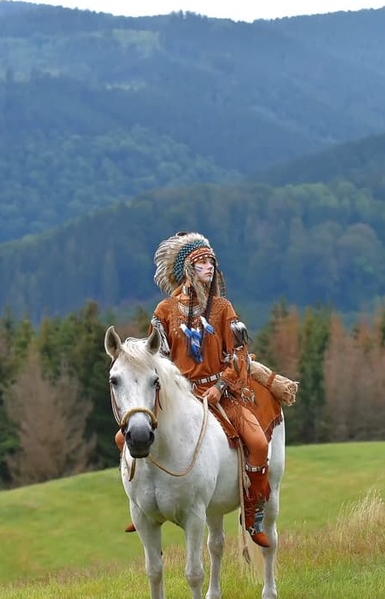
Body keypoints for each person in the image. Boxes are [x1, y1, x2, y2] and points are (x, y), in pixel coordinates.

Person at [115, 231, 284, 547]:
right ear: (187, 270)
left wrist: (221, 386)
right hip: (176, 396)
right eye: (202, 261)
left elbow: (239, 354)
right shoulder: (164, 310)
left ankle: (253, 516)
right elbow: (156, 355)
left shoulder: (223, 308)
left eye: (211, 261)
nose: (210, 267)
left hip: (220, 392)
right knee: (121, 437)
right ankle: (141, 501)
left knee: (259, 444)